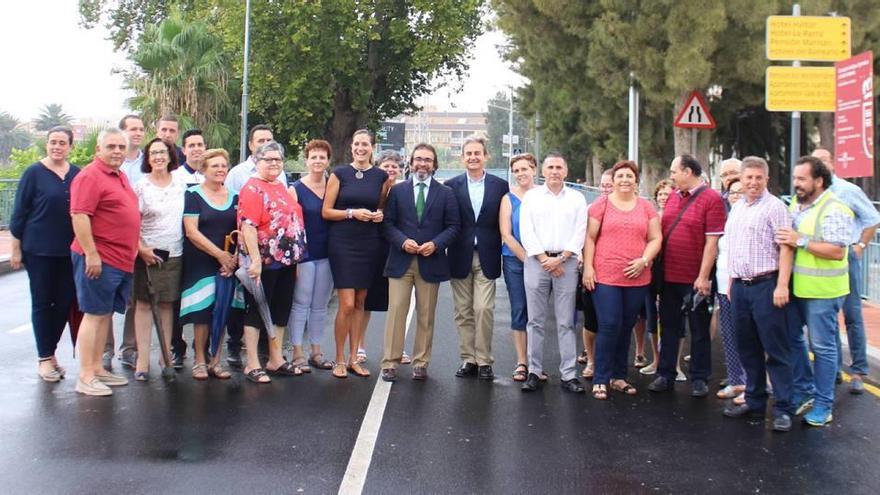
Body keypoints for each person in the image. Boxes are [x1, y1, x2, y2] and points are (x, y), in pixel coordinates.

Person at [776, 155, 854, 426]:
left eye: (801, 179)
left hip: (824, 291)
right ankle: (805, 391)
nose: (796, 183)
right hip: (798, 289)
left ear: (818, 181)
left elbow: (837, 250)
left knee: (822, 347)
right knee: (792, 339)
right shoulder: (797, 204)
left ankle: (824, 404)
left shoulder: (836, 208)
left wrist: (802, 241)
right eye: (795, 178)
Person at [721, 157, 795, 432]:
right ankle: (754, 401)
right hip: (740, 287)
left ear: (767, 179)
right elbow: (735, 248)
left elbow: (787, 248)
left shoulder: (775, 208)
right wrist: (731, 282)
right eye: (748, 178)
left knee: (775, 349)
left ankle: (784, 408)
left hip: (767, 285)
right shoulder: (738, 208)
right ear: (741, 178)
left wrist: (782, 285)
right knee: (748, 347)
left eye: (758, 178)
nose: (753, 183)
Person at [380, 144, 460, 381]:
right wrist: (403, 241)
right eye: (418, 159)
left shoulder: (445, 194)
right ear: (411, 162)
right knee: (396, 312)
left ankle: (421, 362)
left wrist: (436, 244)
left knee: (426, 314)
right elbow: (388, 223)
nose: (422, 164)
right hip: (401, 259)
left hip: (430, 260)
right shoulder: (398, 191)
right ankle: (390, 362)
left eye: (427, 160)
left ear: (434, 164)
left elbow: (453, 226)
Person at [69, 128, 140, 396]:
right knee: (94, 314)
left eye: (121, 147)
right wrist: (91, 253)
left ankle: (97, 368)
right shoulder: (90, 176)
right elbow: (80, 215)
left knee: (105, 314)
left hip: (119, 259)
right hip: (100, 258)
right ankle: (86, 376)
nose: (117, 151)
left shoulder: (119, 175)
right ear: (98, 149)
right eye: (111, 146)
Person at [648, 155, 726, 396]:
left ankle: (700, 378)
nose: (671, 176)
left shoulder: (711, 199)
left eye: (674, 171)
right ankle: (665, 374)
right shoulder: (673, 197)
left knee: (699, 329)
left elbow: (712, 242)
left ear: (688, 172)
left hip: (696, 279)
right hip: (669, 277)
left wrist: (703, 277)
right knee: (669, 327)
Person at [582, 160, 661, 399]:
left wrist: (644, 260)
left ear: (636, 180)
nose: (625, 180)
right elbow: (590, 238)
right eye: (620, 176)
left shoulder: (646, 207)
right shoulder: (601, 205)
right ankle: (601, 378)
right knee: (609, 324)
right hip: (605, 276)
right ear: (613, 180)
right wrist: (588, 268)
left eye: (629, 176)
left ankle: (618, 377)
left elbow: (655, 238)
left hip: (637, 277)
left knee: (626, 326)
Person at [10, 127, 80, 382]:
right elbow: (19, 212)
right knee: (42, 302)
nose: (57, 147)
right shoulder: (34, 173)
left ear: (70, 146)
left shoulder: (76, 174)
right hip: (38, 250)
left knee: (64, 302)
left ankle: (50, 354)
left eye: (62, 143)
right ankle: (43, 358)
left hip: (69, 250)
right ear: (47, 145)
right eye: (53, 142)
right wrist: (15, 248)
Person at [323, 129, 390, 379]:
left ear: (373, 147)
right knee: (347, 303)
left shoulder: (382, 177)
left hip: (369, 243)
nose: (360, 148)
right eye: (356, 144)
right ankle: (339, 358)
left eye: (365, 144)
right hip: (342, 243)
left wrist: (378, 214)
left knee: (361, 302)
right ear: (352, 147)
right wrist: (352, 213)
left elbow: (381, 206)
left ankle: (354, 358)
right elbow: (326, 211)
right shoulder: (340, 173)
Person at [238, 141, 307, 383]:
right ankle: (252, 364)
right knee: (257, 310)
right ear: (257, 161)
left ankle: (276, 358)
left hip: (286, 261)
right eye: (268, 159)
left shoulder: (280, 185)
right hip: (264, 261)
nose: (274, 163)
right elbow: (248, 226)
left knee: (280, 309)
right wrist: (255, 260)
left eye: (278, 159)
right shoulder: (253, 188)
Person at [812, 148, 879, 394]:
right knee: (827, 316)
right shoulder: (812, 193)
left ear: (832, 163)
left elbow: (873, 217)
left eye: (824, 160)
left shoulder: (848, 191)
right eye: (815, 160)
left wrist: (860, 245)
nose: (820, 164)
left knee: (851, 314)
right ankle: (835, 370)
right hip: (818, 258)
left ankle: (859, 371)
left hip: (845, 255)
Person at [519, 153, 587, 393]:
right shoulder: (532, 197)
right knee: (535, 320)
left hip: (566, 263)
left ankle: (569, 375)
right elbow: (525, 230)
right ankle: (534, 371)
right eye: (550, 167)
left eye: (559, 167)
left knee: (566, 321)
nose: (555, 171)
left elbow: (580, 231)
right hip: (538, 261)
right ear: (543, 171)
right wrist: (544, 258)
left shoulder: (577, 199)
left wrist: (562, 258)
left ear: (566, 171)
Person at [446, 135, 509, 380]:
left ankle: (484, 360)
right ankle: (468, 359)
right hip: (459, 254)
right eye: (468, 153)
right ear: (462, 158)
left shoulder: (499, 186)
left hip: (487, 254)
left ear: (485, 156)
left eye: (477, 153)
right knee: (463, 311)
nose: (473, 157)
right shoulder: (451, 186)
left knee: (483, 308)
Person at [131, 138, 188, 380]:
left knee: (167, 304)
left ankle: (165, 356)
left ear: (170, 155)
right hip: (146, 254)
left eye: (162, 152)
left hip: (174, 252)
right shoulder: (141, 186)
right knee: (143, 305)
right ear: (147, 158)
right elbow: (131, 222)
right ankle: (142, 362)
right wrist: (141, 248)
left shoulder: (181, 183)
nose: (158, 157)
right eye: (153, 153)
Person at [179, 148, 238, 380]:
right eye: (215, 166)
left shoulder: (235, 196)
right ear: (204, 170)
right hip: (200, 261)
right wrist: (218, 255)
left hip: (228, 264)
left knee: (222, 309)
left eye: (224, 165)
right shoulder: (192, 194)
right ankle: (200, 361)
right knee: (202, 312)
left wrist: (231, 260)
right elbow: (191, 232)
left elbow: (241, 230)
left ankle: (215, 360)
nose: (220, 169)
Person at [288, 139, 335, 372]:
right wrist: (295, 259)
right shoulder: (295, 189)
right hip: (305, 255)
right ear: (306, 161)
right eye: (314, 157)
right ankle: (297, 351)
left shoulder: (334, 186)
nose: (318, 161)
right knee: (301, 303)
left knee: (320, 305)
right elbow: (290, 227)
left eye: (322, 157)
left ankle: (316, 351)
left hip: (328, 254)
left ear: (328, 161)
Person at [105, 114, 146, 370]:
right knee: (106, 299)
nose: (137, 133)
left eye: (141, 129)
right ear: (122, 132)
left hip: (140, 240)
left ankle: (129, 349)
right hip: (112, 242)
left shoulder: (148, 162)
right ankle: (105, 350)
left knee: (134, 298)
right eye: (132, 129)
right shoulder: (113, 164)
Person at [355, 150, 404, 364]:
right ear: (378, 168)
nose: (390, 170)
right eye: (386, 166)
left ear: (401, 170)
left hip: (397, 251)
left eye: (394, 166)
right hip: (371, 248)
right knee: (364, 301)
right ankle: (359, 346)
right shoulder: (370, 190)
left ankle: (396, 348)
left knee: (398, 303)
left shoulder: (405, 191)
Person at [499, 153, 538, 381]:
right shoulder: (508, 198)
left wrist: (539, 259)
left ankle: (536, 362)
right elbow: (506, 233)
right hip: (515, 260)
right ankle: (522, 361)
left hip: (542, 260)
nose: (520, 174)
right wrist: (527, 258)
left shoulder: (543, 196)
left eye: (524, 169)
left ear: (533, 169)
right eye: (516, 171)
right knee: (520, 308)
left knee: (538, 312)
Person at [714, 178, 747, 402]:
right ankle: (736, 381)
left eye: (740, 192)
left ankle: (753, 383)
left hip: (744, 286)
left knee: (749, 336)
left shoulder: (753, 217)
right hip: (723, 284)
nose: (735, 196)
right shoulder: (727, 217)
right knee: (729, 334)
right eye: (732, 193)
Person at [578, 169, 613, 378]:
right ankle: (591, 360)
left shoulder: (628, 208)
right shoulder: (590, 209)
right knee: (590, 320)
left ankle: (609, 363)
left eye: (610, 184)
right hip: (592, 270)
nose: (606, 189)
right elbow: (583, 237)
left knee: (611, 321)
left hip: (616, 273)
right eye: (603, 185)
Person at [639, 179, 674, 376]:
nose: (663, 197)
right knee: (652, 319)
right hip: (652, 273)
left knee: (672, 322)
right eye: (660, 194)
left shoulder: (678, 216)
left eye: (667, 194)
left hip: (672, 272)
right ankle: (656, 360)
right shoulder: (650, 215)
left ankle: (674, 365)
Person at [226, 124, 286, 193]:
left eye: (269, 141)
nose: (266, 144)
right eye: (261, 141)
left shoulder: (279, 173)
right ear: (250, 145)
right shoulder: (236, 174)